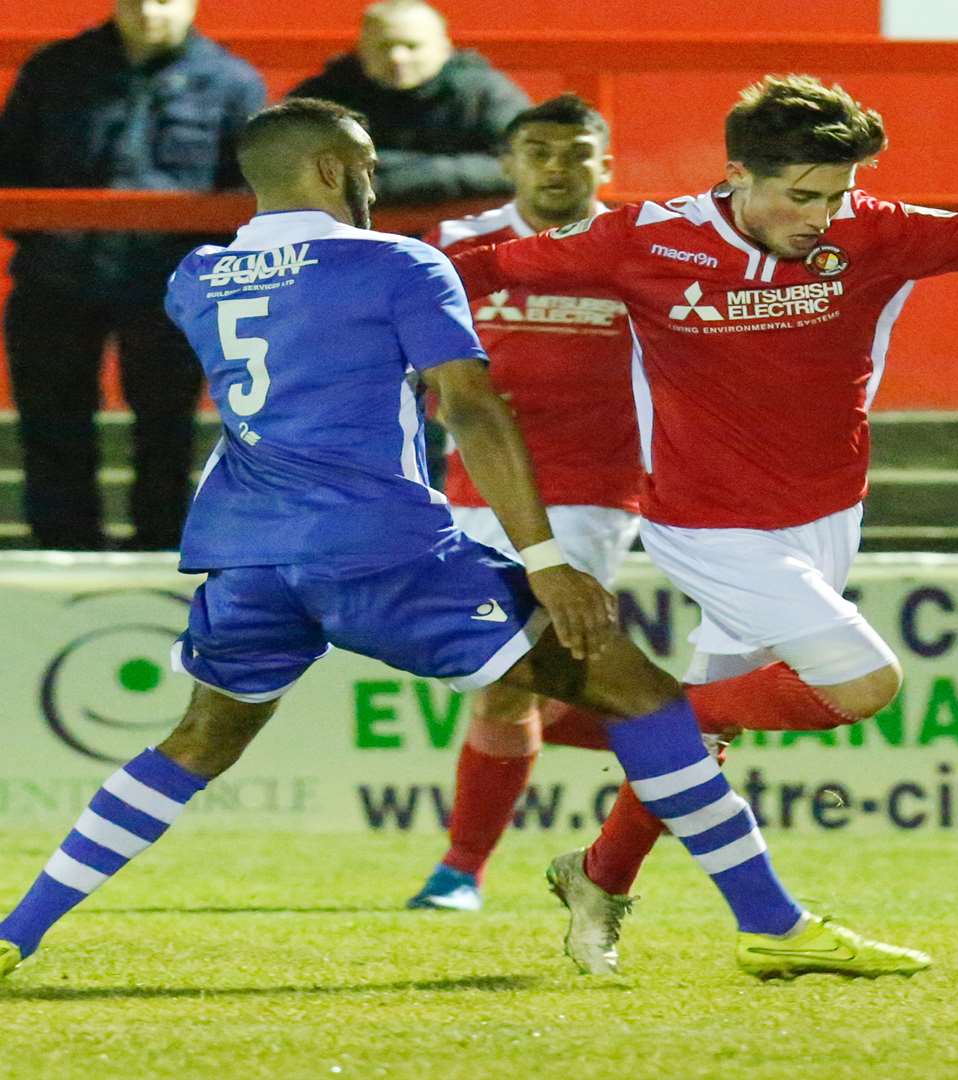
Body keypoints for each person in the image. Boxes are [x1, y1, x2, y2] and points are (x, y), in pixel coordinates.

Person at [0, 98, 928, 985]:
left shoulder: (194, 277)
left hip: (246, 552)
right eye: (364, 168)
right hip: (385, 549)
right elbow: (475, 410)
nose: (373, 184)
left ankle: (15, 932)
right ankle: (772, 928)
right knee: (642, 694)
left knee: (197, 742)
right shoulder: (398, 263)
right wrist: (547, 559)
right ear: (333, 169)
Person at [448, 73, 958, 973]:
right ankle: (661, 725)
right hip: (708, 524)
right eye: (802, 195)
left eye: (839, 192)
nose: (824, 214)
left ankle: (601, 873)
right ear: (737, 175)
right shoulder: (647, 239)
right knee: (863, 680)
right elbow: (480, 266)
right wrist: (353, 299)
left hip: (825, 519)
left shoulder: (869, 231)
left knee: (701, 746)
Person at [403, 93, 658, 919]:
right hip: (466, 488)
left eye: (576, 152)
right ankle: (678, 735)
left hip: (588, 491)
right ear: (509, 162)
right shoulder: (451, 247)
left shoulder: (644, 247)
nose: (556, 167)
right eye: (538, 151)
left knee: (505, 686)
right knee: (503, 675)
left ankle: (458, 871)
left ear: (604, 165)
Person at [0, 0, 265, 549]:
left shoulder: (232, 83)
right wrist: (48, 238)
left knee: (166, 424)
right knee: (52, 420)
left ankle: (162, 544)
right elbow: (12, 162)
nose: (148, 12)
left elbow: (249, 188)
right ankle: (62, 543)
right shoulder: (56, 71)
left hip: (169, 285)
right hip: (58, 277)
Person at [289, 0, 527, 204]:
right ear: (361, 49)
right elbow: (280, 162)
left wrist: (410, 177)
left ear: (444, 49)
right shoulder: (324, 94)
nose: (397, 58)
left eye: (412, 46)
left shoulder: (483, 92)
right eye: (385, 46)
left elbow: (522, 164)